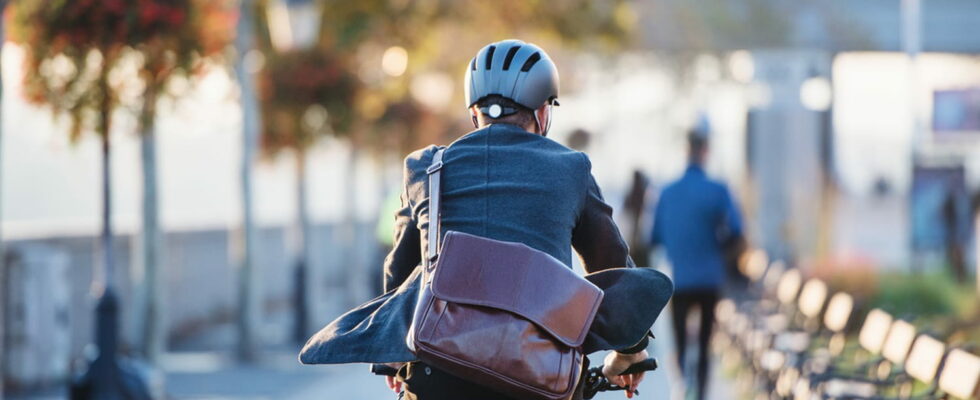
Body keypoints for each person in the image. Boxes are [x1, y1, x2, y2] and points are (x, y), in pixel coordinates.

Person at [381, 39, 650, 399]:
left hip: (439, 372)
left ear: (474, 114)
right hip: (539, 374)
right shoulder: (570, 168)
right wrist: (629, 352)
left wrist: (391, 360)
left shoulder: (426, 168)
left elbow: (399, 274)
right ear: (543, 113)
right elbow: (613, 268)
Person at [650, 122, 743, 400]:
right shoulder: (718, 190)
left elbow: (654, 236)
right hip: (710, 277)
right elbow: (737, 231)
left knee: (679, 341)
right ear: (705, 151)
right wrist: (716, 245)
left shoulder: (666, 192)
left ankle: (682, 388)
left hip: (677, 278)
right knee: (704, 344)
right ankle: (700, 393)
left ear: (686, 150)